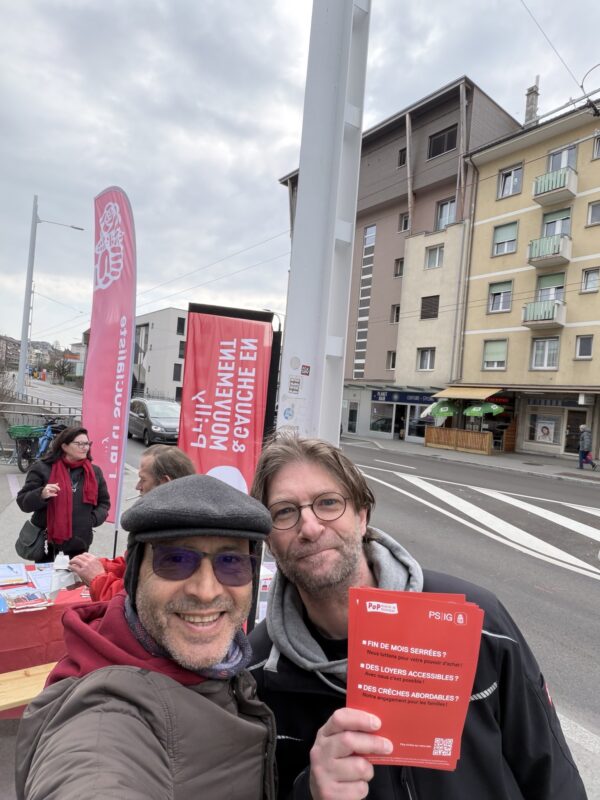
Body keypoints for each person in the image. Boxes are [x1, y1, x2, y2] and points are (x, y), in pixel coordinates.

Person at [248, 434, 587, 800]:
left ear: (362, 516)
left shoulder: (478, 623)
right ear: (268, 539)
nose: (310, 528)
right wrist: (309, 792)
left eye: (328, 503)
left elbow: (549, 771)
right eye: (285, 512)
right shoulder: (256, 670)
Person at [15, 474, 277, 799]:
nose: (207, 591)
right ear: (134, 575)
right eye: (176, 560)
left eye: (232, 562)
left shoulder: (230, 665)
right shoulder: (103, 719)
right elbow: (91, 771)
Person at [69, 445, 195, 600]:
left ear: (165, 483)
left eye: (143, 479)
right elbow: (133, 563)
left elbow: (132, 598)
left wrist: (97, 578)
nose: (137, 487)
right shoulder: (166, 521)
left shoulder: (173, 535)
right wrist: (98, 565)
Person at [16, 426, 110, 561]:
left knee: (75, 581)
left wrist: (91, 520)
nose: (85, 447)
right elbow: (23, 501)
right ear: (64, 446)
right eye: (79, 444)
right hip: (47, 543)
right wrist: (41, 494)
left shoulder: (94, 472)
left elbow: (104, 503)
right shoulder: (42, 468)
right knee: (47, 581)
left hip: (80, 542)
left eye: (87, 444)